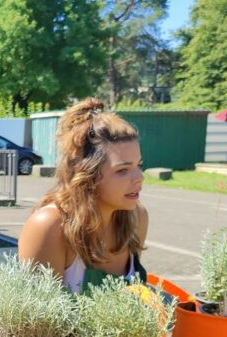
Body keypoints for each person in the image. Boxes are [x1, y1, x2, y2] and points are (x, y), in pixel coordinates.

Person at [18, 98, 148, 292]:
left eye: (139, 165)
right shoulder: (49, 226)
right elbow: (31, 320)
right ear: (87, 174)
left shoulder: (137, 218)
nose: (139, 177)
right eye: (122, 170)